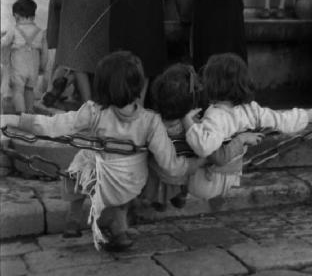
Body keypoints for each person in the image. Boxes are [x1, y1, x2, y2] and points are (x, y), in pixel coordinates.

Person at [0, 51, 202, 250]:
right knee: (114, 169)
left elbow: (52, 125)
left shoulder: (94, 112)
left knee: (81, 162)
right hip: (130, 184)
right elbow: (171, 166)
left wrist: (14, 119)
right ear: (140, 87)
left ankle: (73, 218)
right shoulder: (151, 121)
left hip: (100, 181)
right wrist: (199, 162)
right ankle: (119, 229)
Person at [182, 53, 312, 197]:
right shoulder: (251, 111)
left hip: (207, 182)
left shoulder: (216, 116)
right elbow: (283, 120)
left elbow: (204, 146)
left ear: (212, 84)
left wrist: (189, 122)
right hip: (230, 177)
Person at [144, 63, 262, 207]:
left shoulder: (151, 122)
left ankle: (163, 198)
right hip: (183, 173)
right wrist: (242, 139)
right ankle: (179, 194)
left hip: (157, 174)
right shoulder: (194, 128)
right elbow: (219, 156)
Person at [1, 0, 48, 113]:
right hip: (33, 69)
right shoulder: (40, 32)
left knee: (17, 91)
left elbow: (3, 43)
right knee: (29, 90)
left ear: (16, 15)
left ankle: (21, 114)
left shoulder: (14, 30)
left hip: (18, 69)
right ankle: (30, 112)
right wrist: (42, 66)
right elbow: (45, 53)